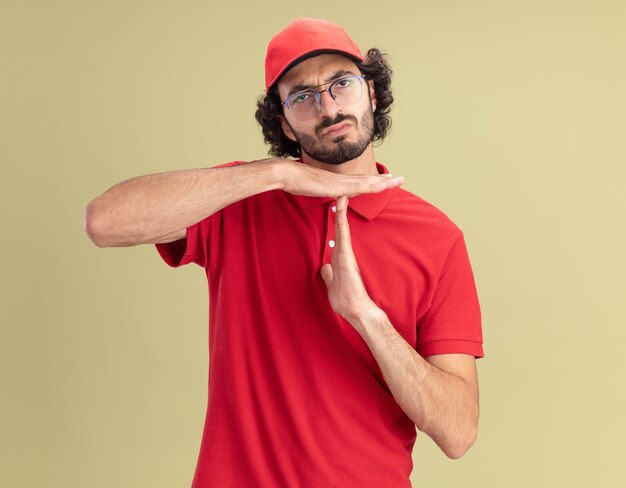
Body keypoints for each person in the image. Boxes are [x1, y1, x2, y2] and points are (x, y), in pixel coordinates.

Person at [84, 17, 484, 488]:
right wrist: (277, 175)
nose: (328, 108)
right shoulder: (238, 200)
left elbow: (458, 432)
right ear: (284, 124)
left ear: (372, 92)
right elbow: (104, 221)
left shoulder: (437, 236)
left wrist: (367, 318)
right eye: (302, 97)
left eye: (342, 84)